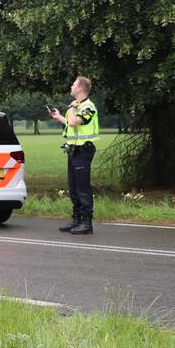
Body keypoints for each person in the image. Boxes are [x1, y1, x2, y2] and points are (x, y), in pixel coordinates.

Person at [48, 76, 100, 234]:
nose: (71, 86)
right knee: (74, 187)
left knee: (83, 187)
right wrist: (59, 118)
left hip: (83, 150)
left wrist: (71, 107)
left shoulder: (88, 107)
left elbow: (74, 122)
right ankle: (77, 220)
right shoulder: (77, 107)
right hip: (73, 150)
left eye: (73, 84)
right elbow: (71, 125)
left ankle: (86, 223)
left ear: (80, 88)